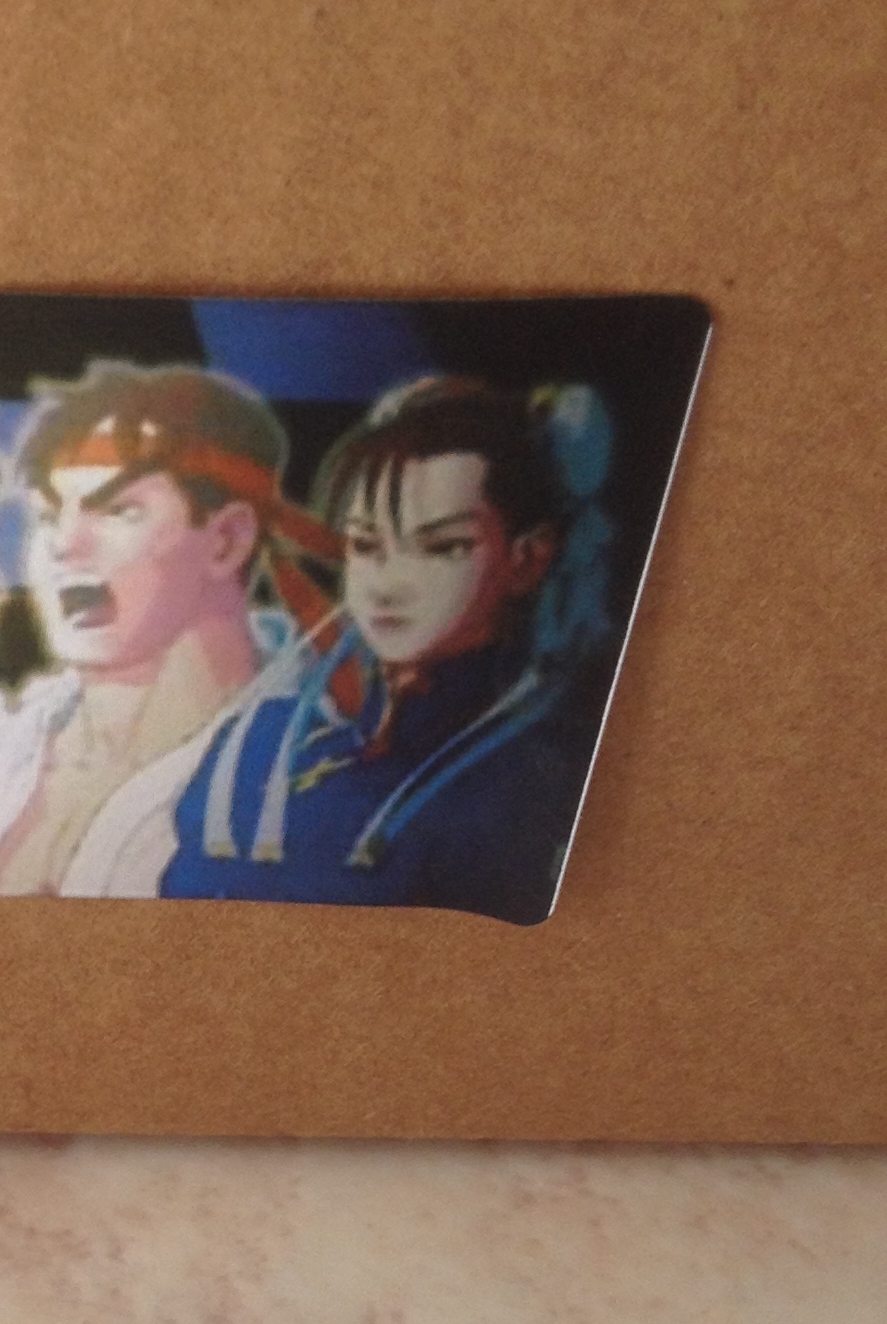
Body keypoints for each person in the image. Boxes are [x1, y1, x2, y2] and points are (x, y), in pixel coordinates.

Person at [154, 374, 614, 924]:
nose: (387, 584)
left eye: (441, 547)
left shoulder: (537, 780)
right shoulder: (259, 741)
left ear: (527, 559)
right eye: (366, 545)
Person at [0, 360, 338, 896]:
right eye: (48, 515)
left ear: (226, 540)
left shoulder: (317, 775)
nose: (64, 544)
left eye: (119, 510)